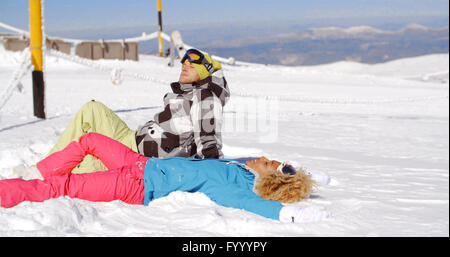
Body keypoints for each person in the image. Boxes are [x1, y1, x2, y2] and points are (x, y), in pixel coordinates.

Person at [1, 133, 330, 223]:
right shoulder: (240, 167)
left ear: (270, 181)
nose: (264, 157)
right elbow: (254, 162)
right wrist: (309, 176)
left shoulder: (233, 186)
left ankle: (7, 192)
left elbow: (247, 203)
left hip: (137, 186)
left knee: (63, 186)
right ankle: (35, 172)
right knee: (91, 140)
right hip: (141, 164)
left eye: (271, 163)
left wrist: (288, 213)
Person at [25, 49, 229, 174]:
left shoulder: (205, 97)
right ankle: (45, 167)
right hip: (131, 137)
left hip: (133, 155)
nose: (185, 63)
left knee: (82, 164)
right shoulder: (190, 94)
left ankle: (42, 174)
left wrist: (217, 175)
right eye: (184, 60)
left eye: (193, 63)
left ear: (205, 71)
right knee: (92, 109)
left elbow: (208, 141)